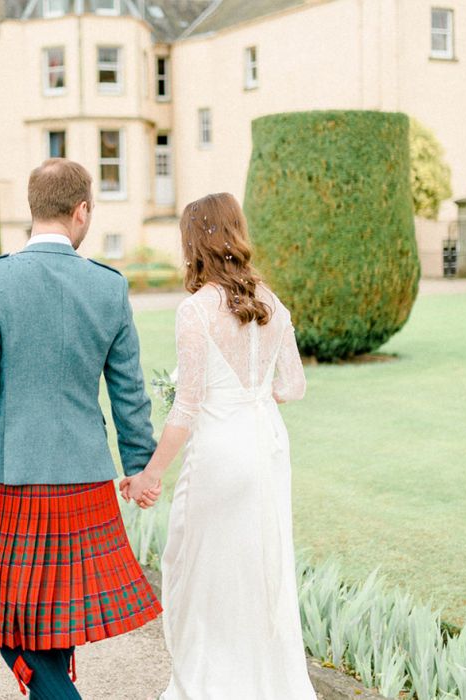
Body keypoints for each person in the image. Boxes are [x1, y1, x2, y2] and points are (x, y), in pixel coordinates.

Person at [0, 158, 162, 698]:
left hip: (15, 476)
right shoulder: (108, 286)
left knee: (11, 625)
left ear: (32, 209)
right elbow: (128, 390)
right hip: (85, 476)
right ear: (82, 211)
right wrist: (139, 466)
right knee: (54, 620)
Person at [122, 193, 316, 699]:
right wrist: (257, 395)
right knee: (261, 565)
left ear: (194, 243)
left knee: (202, 570)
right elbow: (294, 386)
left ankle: (213, 684)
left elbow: (187, 407)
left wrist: (151, 473)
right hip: (267, 445)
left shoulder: (197, 310)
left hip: (221, 451)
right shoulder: (273, 303)